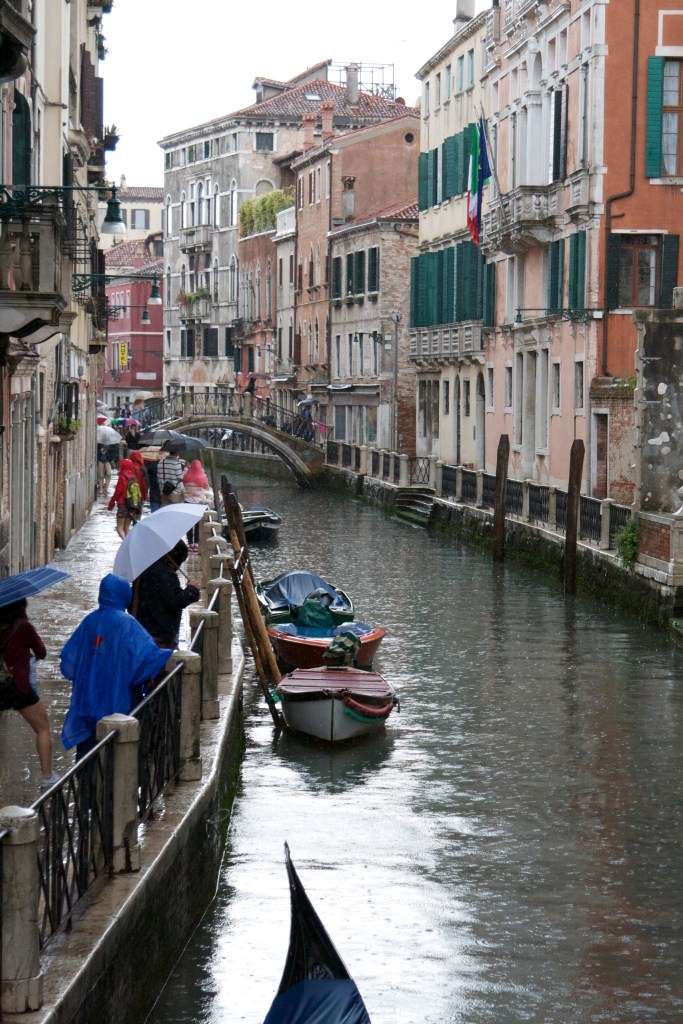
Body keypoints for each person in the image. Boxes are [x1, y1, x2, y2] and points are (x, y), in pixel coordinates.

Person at [60, 574, 172, 760]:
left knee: (89, 751)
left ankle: (87, 783)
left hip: (88, 698)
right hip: (119, 698)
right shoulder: (128, 624)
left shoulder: (89, 621)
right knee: (118, 753)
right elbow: (147, 657)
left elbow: (69, 660)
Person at [0, 598, 60, 790]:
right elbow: (41, 651)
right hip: (18, 686)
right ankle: (47, 777)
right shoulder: (25, 628)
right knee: (42, 728)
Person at [132, 541, 200, 649]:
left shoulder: (143, 568)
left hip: (140, 631)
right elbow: (175, 601)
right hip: (158, 636)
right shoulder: (165, 574)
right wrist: (192, 590)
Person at [107, 457, 141, 539]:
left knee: (119, 528)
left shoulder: (122, 477)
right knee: (126, 527)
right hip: (131, 505)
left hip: (122, 504)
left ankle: (126, 546)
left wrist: (111, 504)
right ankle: (128, 546)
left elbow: (117, 492)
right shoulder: (134, 477)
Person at [182, 459, 211, 550]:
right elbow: (207, 487)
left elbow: (182, 483)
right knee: (198, 524)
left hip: (188, 502)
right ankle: (197, 544)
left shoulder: (186, 476)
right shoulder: (202, 476)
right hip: (199, 503)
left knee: (189, 524)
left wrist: (186, 469)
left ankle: (190, 543)